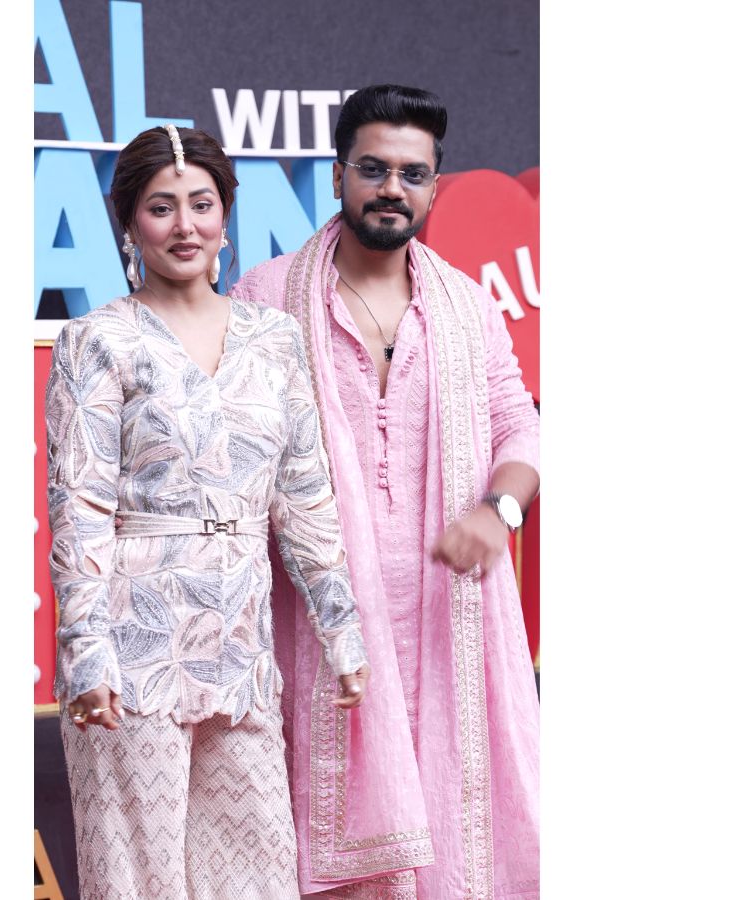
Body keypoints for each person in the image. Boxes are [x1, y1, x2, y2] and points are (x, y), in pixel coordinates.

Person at [229, 85, 540, 899]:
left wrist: (499, 510)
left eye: (412, 173)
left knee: (459, 828)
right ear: (338, 176)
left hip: (450, 616)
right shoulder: (264, 297)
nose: (391, 188)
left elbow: (520, 424)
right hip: (319, 622)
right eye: (373, 168)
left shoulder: (468, 307)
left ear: (434, 185)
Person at [45, 124, 372, 899]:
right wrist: (86, 652)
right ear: (130, 222)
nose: (185, 226)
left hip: (239, 644)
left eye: (202, 204)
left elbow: (305, 497)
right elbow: (79, 506)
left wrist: (342, 630)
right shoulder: (97, 340)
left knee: (257, 875)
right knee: (140, 879)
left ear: (226, 214)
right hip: (132, 646)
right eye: (162, 207)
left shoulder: (275, 338)